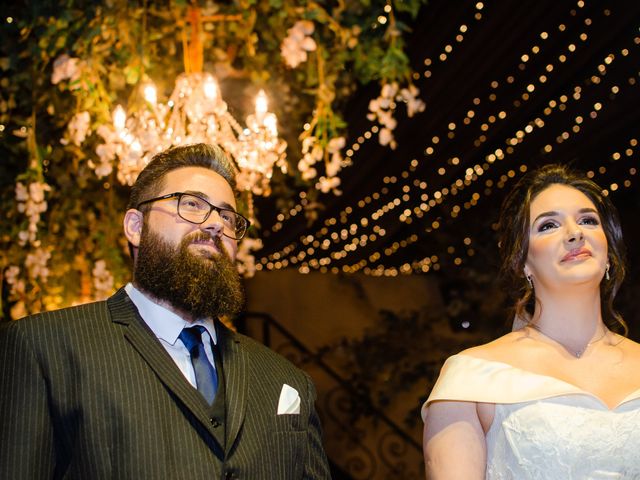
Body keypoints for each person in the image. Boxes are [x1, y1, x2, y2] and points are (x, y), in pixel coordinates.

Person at [0, 143, 331, 479]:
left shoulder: (286, 380)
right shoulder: (43, 348)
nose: (216, 223)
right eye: (191, 204)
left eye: (228, 216)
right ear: (135, 227)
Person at [422, 164, 640, 479]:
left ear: (608, 253)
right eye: (548, 225)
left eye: (587, 220)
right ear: (523, 261)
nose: (575, 232)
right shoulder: (471, 378)